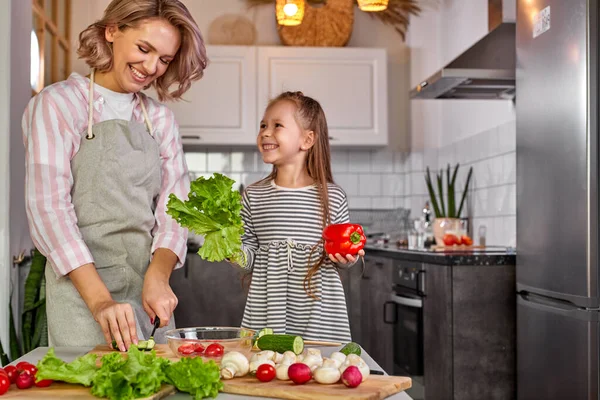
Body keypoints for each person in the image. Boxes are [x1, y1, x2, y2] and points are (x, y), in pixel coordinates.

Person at [22, 0, 207, 351]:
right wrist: (100, 302)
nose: (151, 67)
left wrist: (159, 273)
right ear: (112, 31)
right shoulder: (58, 105)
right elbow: (49, 211)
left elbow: (176, 210)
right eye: (144, 48)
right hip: (81, 296)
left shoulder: (161, 121)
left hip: (149, 296)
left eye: (164, 59)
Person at [235, 91, 365, 342]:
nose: (265, 132)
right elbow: (248, 257)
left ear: (307, 139)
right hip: (267, 314)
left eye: (277, 125)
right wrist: (230, 250)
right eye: (263, 125)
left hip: (320, 315)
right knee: (267, 373)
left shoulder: (333, 196)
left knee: (321, 373)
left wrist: (347, 258)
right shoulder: (253, 196)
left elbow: (342, 259)